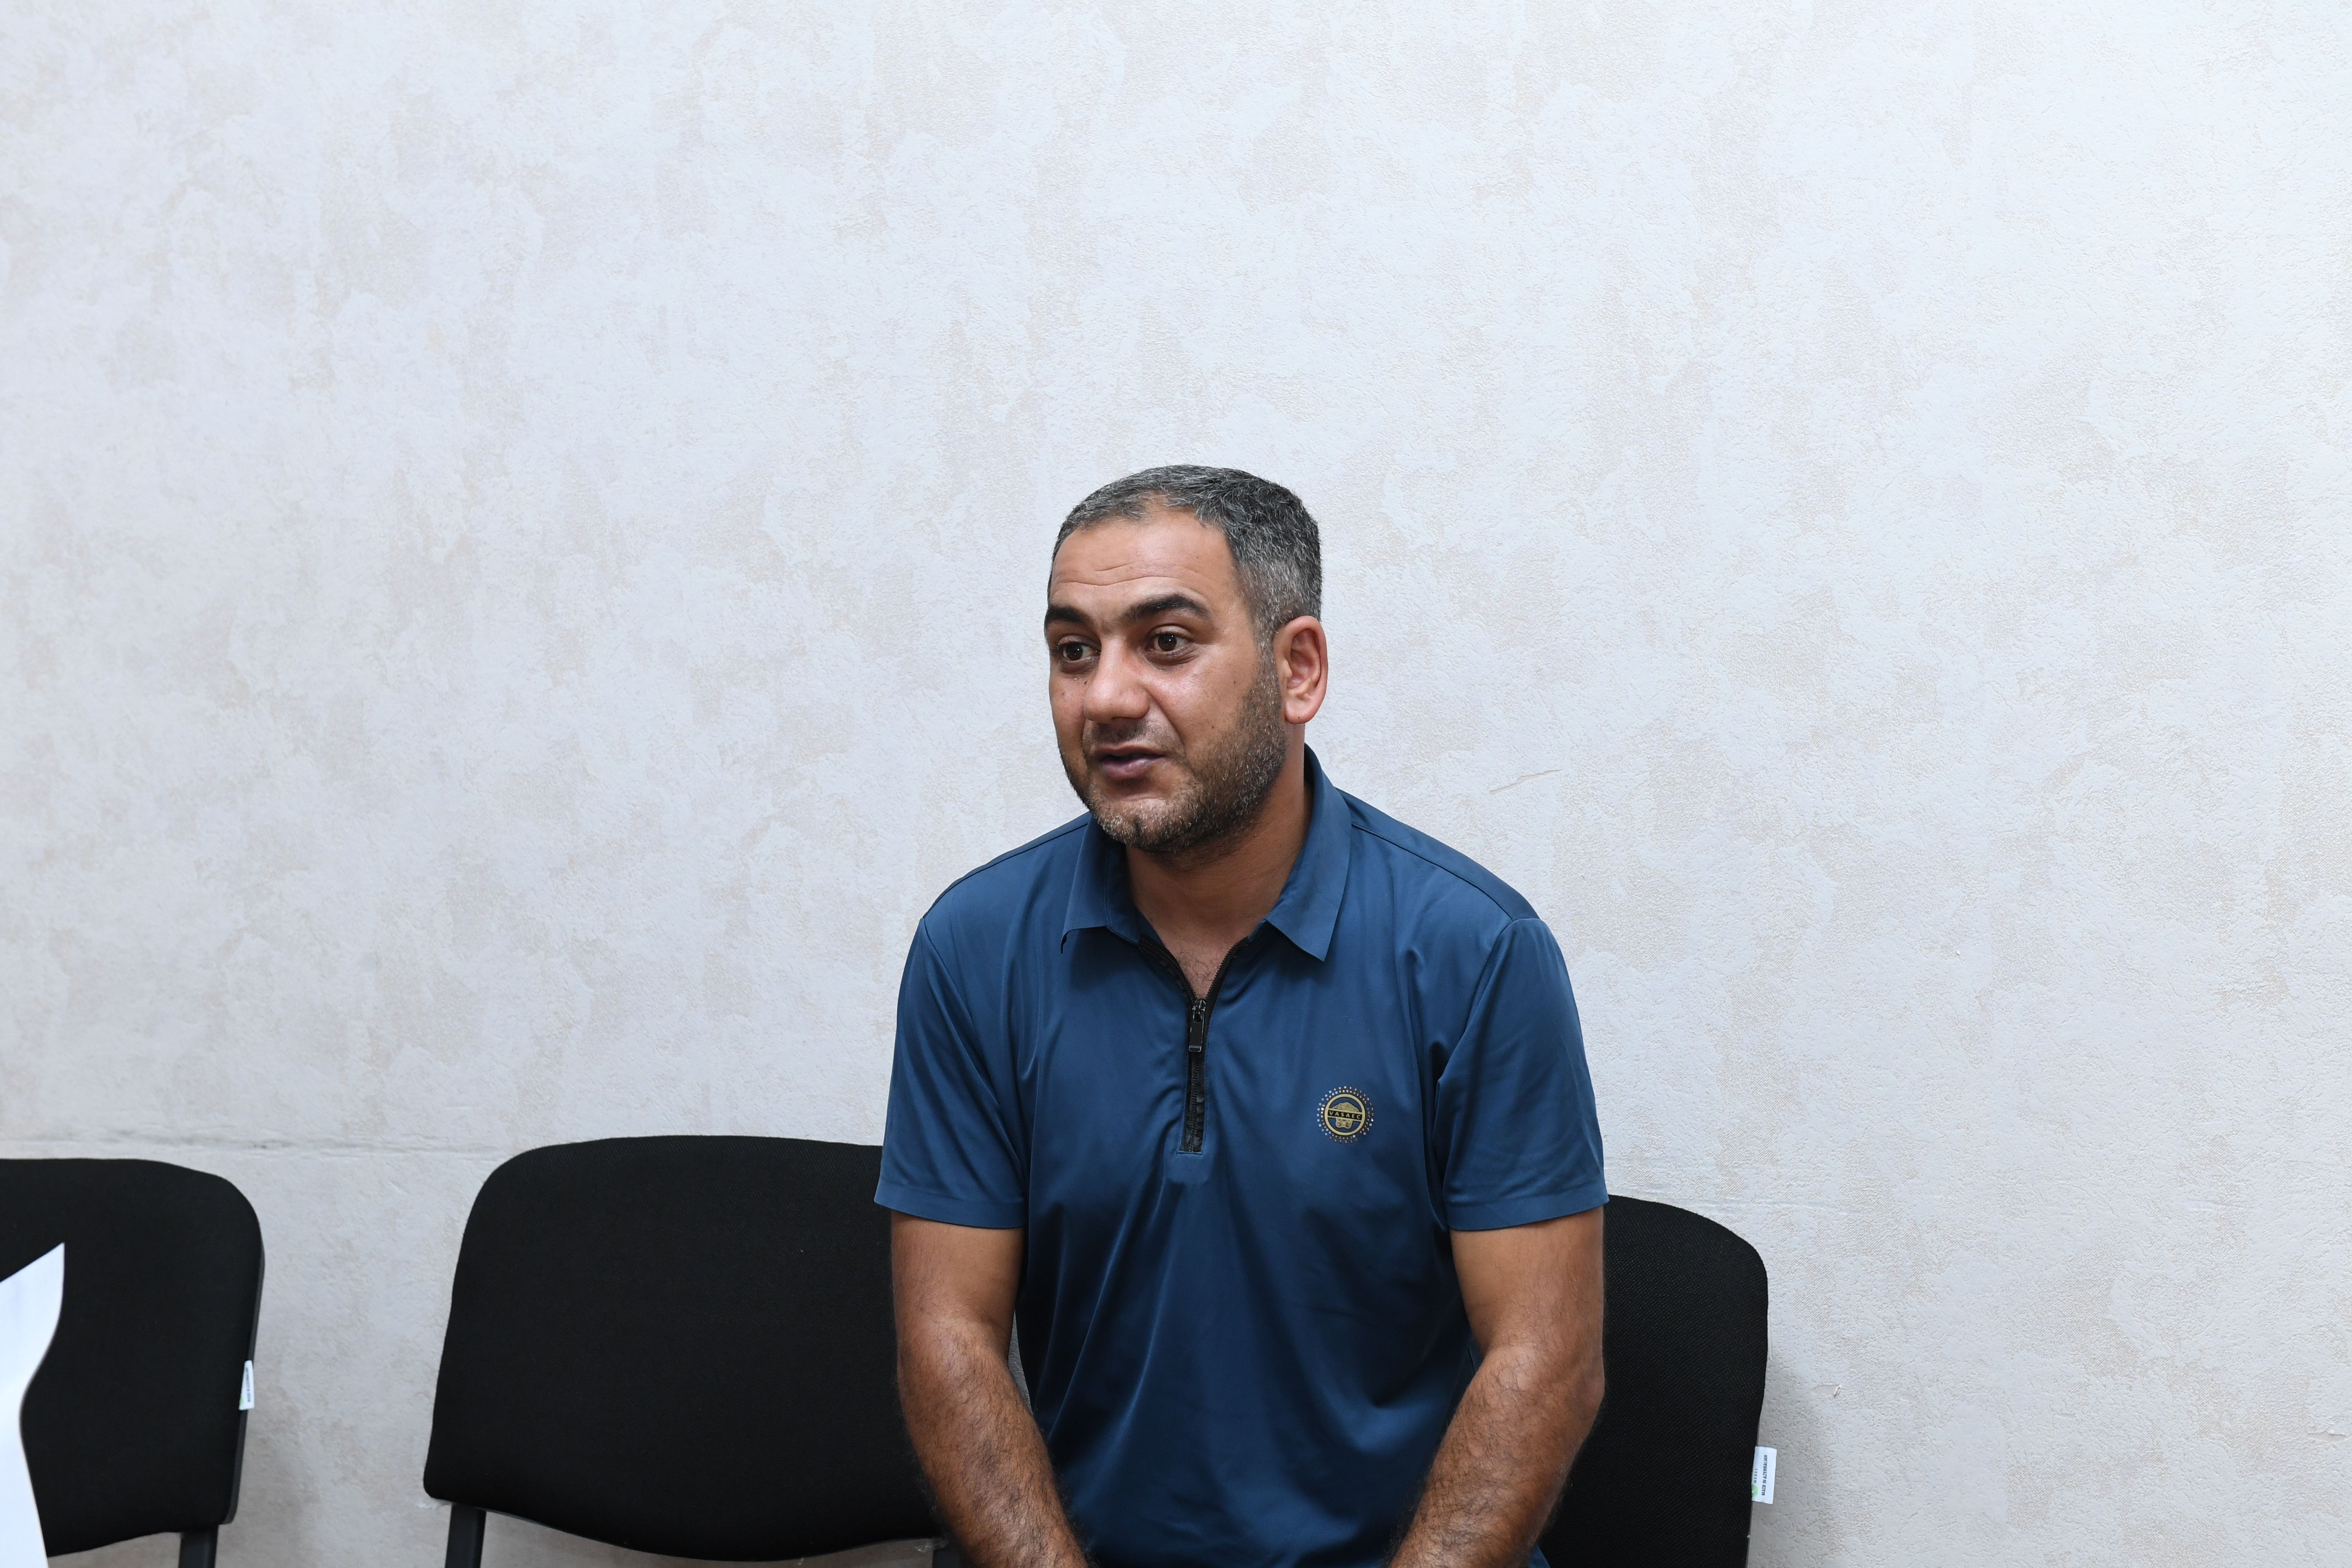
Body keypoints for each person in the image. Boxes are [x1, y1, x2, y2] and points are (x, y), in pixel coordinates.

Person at [878, 467, 1607, 1568]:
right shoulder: (974, 951)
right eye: (1073, 651)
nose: (1106, 697)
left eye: (1165, 643)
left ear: (1297, 669)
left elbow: (1544, 1360)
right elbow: (949, 1341)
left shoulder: (1474, 954)